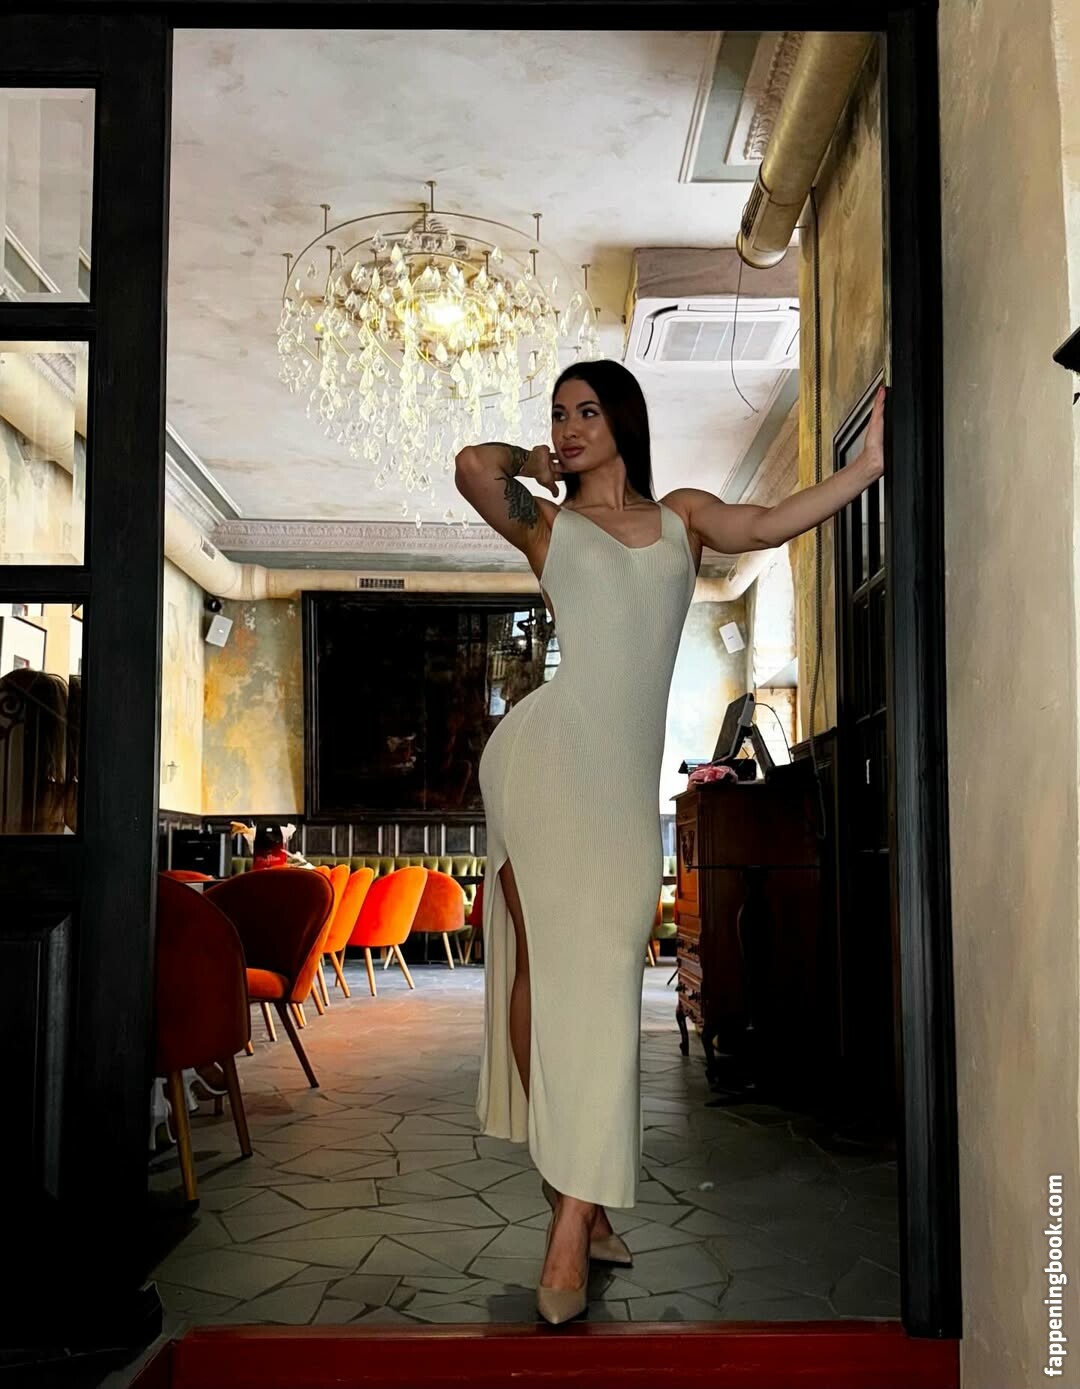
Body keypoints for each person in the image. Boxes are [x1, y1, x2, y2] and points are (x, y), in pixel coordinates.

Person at [454, 359, 885, 1324]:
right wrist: (531, 459)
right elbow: (472, 468)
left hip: (616, 792)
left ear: (624, 418)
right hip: (538, 764)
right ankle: (572, 1215)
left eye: (586, 411)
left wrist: (867, 470)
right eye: (558, 413)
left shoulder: (683, 518)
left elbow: (766, 523)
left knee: (607, 982)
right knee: (542, 974)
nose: (569, 426)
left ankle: (581, 1203)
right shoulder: (548, 526)